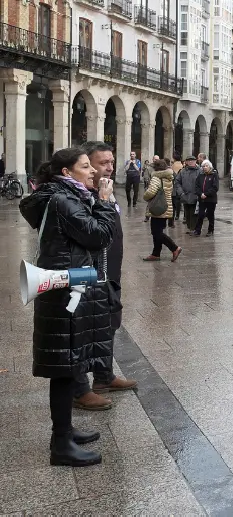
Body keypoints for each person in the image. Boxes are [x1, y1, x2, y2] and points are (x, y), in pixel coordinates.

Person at [19, 147, 116, 467]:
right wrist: (104, 202)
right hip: (64, 292)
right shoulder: (64, 201)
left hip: (66, 287)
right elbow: (99, 235)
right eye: (85, 166)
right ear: (66, 173)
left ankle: (65, 430)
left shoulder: (65, 197)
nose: (92, 171)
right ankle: (60, 443)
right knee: (64, 369)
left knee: (70, 363)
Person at [72, 142, 137, 411]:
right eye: (102, 163)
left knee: (108, 324)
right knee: (80, 330)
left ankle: (103, 376)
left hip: (110, 273)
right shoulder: (81, 197)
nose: (109, 167)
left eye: (111, 162)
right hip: (88, 274)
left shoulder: (106, 192)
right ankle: (79, 389)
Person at [143, 159, 182, 262]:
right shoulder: (168, 177)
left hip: (157, 207)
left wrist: (145, 196)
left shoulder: (156, 177)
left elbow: (151, 192)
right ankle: (156, 254)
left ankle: (174, 248)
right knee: (158, 231)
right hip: (165, 207)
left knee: (156, 232)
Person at [174, 156, 201, 234]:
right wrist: (181, 193)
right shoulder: (182, 171)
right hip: (185, 195)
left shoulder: (200, 171)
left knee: (194, 213)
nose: (190, 162)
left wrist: (199, 193)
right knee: (187, 213)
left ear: (195, 161)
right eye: (189, 161)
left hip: (196, 196)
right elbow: (177, 182)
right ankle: (190, 228)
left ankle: (194, 229)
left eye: (192, 161)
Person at [193, 160, 219, 236]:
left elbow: (215, 187)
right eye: (203, 166)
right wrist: (200, 194)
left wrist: (206, 194)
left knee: (210, 215)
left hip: (211, 199)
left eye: (206, 166)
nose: (205, 167)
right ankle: (197, 230)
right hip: (202, 199)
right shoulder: (200, 175)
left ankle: (210, 230)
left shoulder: (214, 175)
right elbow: (197, 186)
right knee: (200, 214)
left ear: (210, 167)